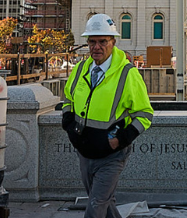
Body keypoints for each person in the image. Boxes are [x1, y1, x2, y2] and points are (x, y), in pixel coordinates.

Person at [60, 14, 154, 218]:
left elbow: (145, 114)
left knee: (96, 206)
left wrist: (121, 139)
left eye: (103, 41)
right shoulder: (80, 70)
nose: (97, 47)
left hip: (112, 155)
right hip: (84, 153)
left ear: (113, 42)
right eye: (92, 42)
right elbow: (68, 99)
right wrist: (68, 124)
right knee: (105, 202)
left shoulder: (127, 74)